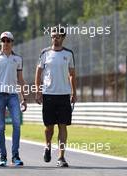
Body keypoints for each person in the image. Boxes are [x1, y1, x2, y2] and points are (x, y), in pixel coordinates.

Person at [35, 27, 77, 167]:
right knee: (49, 127)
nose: (55, 38)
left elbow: (72, 75)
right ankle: (47, 146)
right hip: (48, 95)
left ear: (63, 38)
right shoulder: (45, 53)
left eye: (58, 36)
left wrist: (74, 93)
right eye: (53, 36)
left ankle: (61, 157)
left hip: (64, 95)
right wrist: (38, 91)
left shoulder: (68, 54)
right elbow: (38, 73)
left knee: (63, 126)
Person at [0, 31, 27, 167]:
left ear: (12, 42)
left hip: (13, 96)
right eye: (3, 40)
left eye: (8, 40)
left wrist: (24, 98)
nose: (5, 43)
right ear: (0, 42)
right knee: (1, 127)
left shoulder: (18, 59)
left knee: (16, 124)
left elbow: (21, 80)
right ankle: (2, 157)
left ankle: (15, 156)